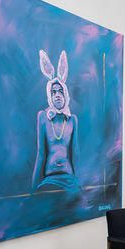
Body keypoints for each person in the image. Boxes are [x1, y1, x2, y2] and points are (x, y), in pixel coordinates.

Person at [32, 50, 80, 193]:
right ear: (49, 95)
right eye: (54, 92)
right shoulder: (43, 116)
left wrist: (79, 183)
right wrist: (33, 189)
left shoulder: (72, 120)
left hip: (69, 178)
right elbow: (41, 153)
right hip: (50, 178)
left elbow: (75, 154)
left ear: (65, 94)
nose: (57, 95)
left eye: (60, 91)